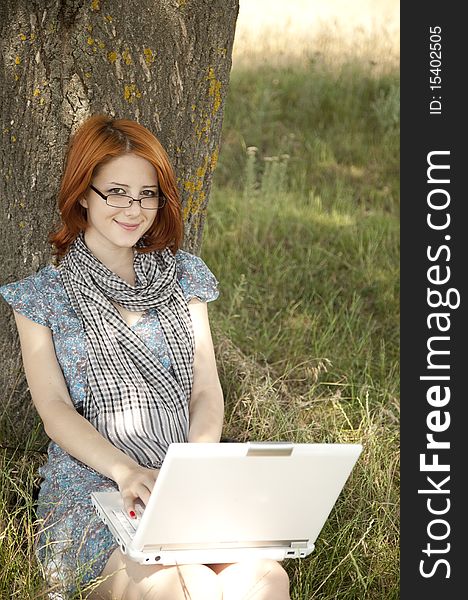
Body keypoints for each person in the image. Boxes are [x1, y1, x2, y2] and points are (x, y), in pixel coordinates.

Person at [0, 115, 291, 600]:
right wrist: (127, 472)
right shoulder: (42, 297)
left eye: (147, 194)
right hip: (95, 485)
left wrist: (192, 467)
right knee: (171, 584)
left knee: (264, 579)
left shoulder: (183, 278)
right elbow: (54, 410)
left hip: (182, 480)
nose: (133, 209)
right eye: (116, 192)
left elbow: (205, 388)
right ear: (83, 194)